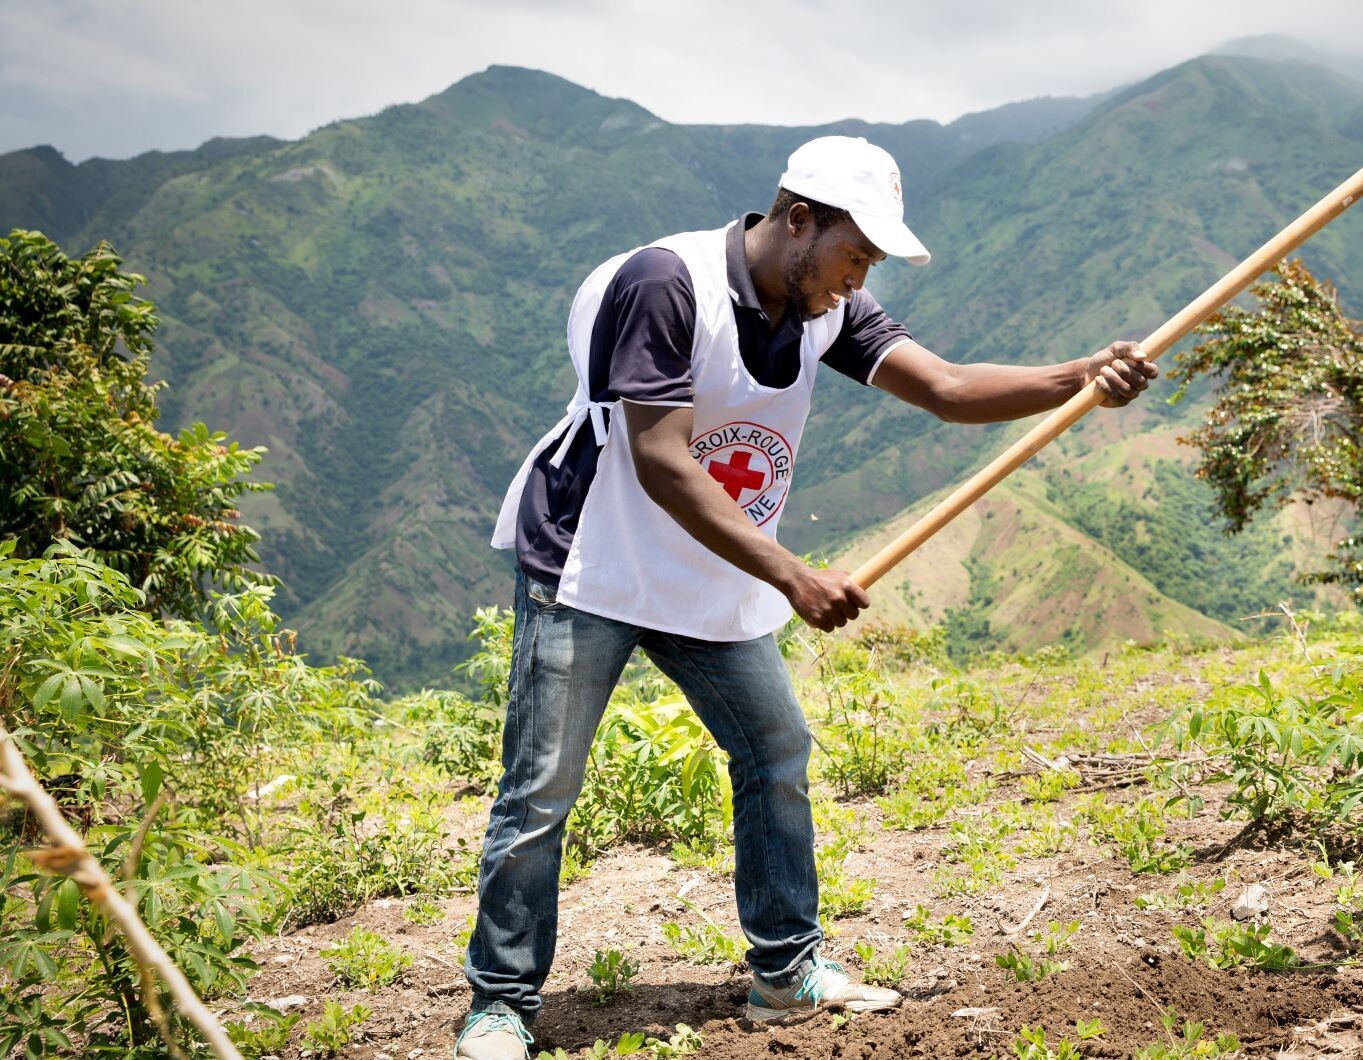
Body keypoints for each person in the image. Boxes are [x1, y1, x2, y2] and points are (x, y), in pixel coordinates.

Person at [457, 135, 1157, 1059]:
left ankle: (784, 971)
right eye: (854, 254)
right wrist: (793, 575)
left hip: (713, 565)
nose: (858, 278)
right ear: (798, 222)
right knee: (541, 788)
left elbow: (946, 389)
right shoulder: (668, 285)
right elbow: (662, 462)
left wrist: (1078, 380)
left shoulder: (824, 303)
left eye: (868, 261)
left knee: (774, 750)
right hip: (596, 558)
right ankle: (502, 1002)